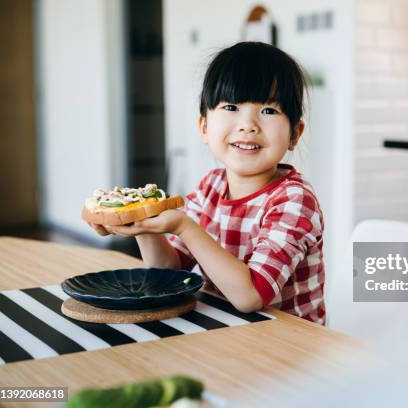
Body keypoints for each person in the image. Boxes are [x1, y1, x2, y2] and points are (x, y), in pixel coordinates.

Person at [87, 42, 325, 324]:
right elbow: (167, 270)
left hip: (290, 345)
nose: (248, 124)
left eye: (269, 111)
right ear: (204, 127)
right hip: (226, 332)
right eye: (231, 106)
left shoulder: (294, 201)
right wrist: (143, 222)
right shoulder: (211, 186)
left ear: (294, 134)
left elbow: (250, 296)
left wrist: (183, 226)